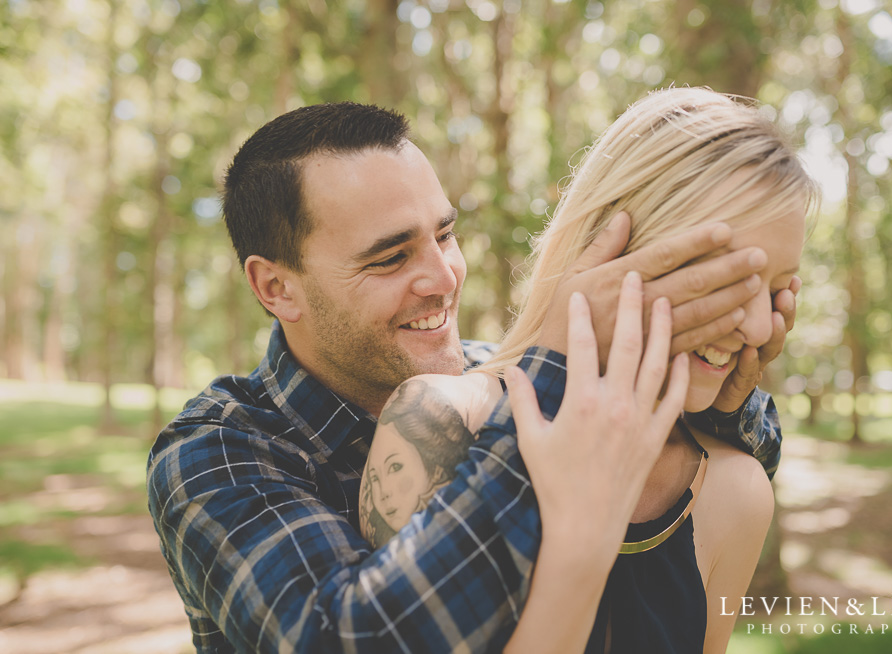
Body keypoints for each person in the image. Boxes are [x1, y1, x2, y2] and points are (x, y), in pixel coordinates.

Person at [146, 101, 789, 652]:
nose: (444, 277)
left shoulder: (497, 378)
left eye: (446, 235)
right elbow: (354, 640)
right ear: (277, 287)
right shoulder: (217, 450)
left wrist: (720, 403)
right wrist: (552, 378)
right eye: (392, 256)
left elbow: (730, 449)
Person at [360, 87, 815, 653]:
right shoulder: (437, 425)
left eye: (774, 290)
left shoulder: (736, 492)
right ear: (615, 249)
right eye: (723, 280)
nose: (753, 326)